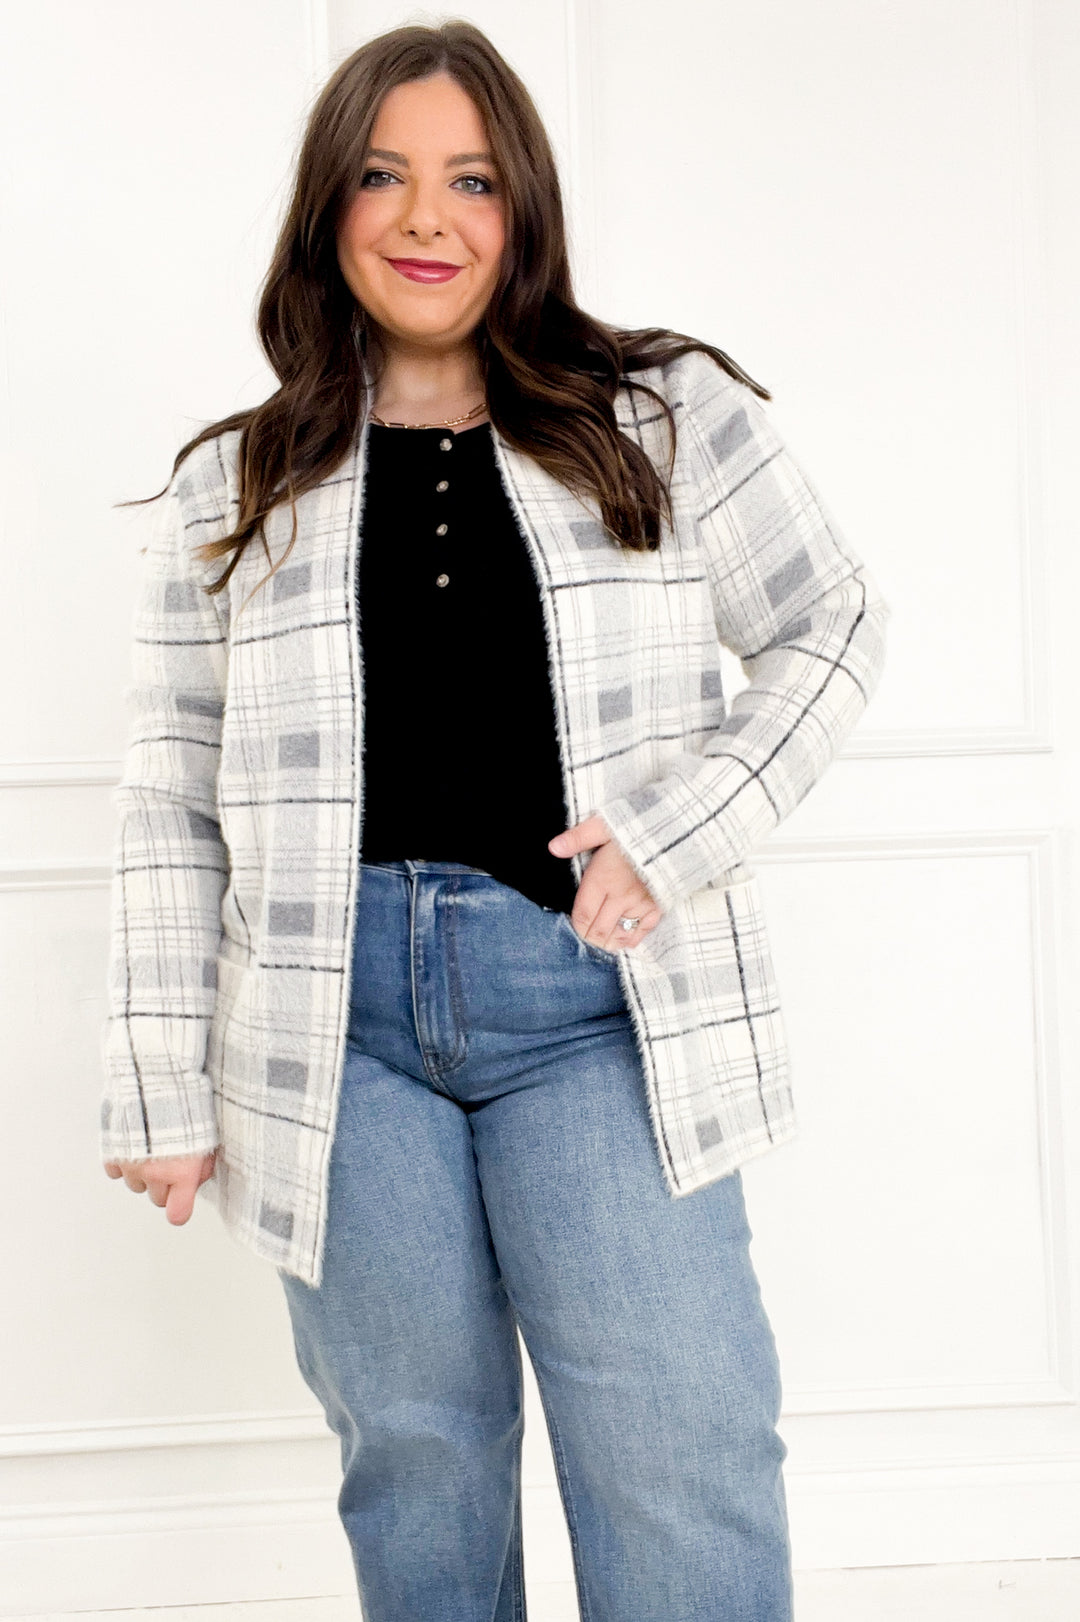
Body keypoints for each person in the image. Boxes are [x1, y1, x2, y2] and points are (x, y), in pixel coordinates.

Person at [100, 20, 889, 1621]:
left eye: (469, 180)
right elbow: (172, 787)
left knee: (680, 1447)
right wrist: (158, 1075)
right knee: (418, 1463)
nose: (425, 218)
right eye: (381, 177)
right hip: (335, 1032)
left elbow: (835, 626)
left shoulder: (660, 413)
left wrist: (675, 828)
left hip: (597, 1009)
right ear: (329, 209)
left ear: (520, 204)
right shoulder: (237, 482)